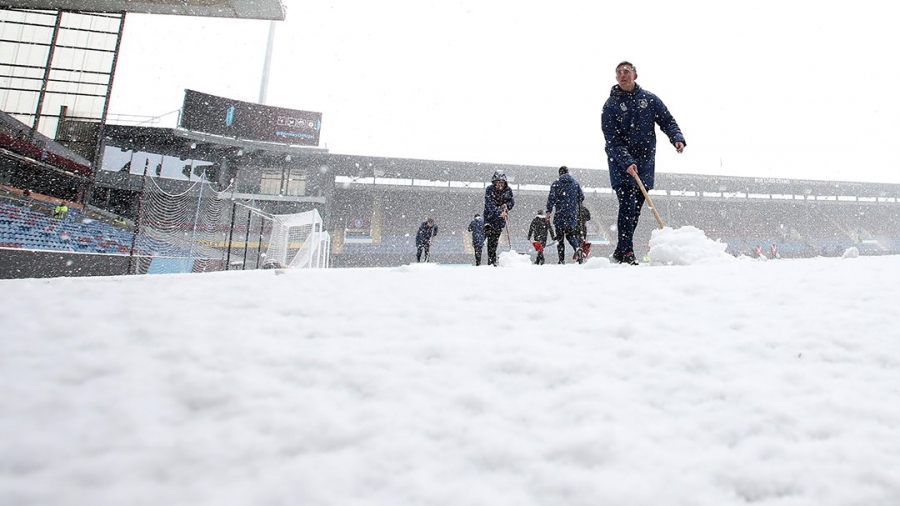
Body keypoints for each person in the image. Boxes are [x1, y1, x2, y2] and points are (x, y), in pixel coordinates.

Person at [601, 61, 685, 265]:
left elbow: (666, 120)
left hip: (645, 162)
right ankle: (627, 252)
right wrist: (626, 161)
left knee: (635, 209)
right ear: (616, 77)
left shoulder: (649, 99)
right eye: (619, 72)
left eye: (626, 72)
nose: (623, 75)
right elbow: (611, 139)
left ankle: (621, 251)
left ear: (635, 75)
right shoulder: (610, 105)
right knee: (627, 206)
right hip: (622, 165)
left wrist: (676, 137)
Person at [545, 166, 585, 264]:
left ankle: (561, 260)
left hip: (560, 214)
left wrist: (548, 211)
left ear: (560, 173)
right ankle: (577, 248)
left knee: (560, 239)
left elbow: (551, 198)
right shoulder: (575, 183)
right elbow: (582, 197)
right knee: (570, 235)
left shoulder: (556, 183)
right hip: (572, 215)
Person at [483, 169, 515, 266]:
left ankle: (492, 259)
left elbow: (512, 202)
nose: (500, 184)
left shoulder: (508, 190)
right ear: (494, 182)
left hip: (500, 221)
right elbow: (489, 205)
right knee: (491, 239)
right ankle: (491, 260)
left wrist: (506, 205)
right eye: (498, 182)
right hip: (490, 219)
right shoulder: (489, 190)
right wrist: (499, 212)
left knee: (495, 240)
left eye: (501, 182)